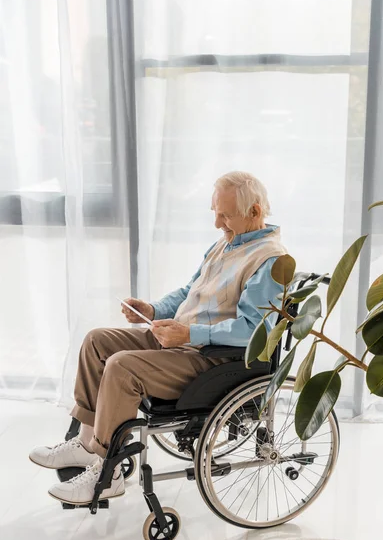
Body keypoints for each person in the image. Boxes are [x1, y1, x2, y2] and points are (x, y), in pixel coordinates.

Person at [29, 171, 287, 505]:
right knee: (97, 341)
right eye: (215, 212)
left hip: (213, 358)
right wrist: (152, 310)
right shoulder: (227, 243)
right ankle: (86, 441)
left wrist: (189, 332)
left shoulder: (270, 260)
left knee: (123, 367)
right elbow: (189, 291)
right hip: (182, 342)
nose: (217, 223)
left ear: (254, 212)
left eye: (225, 215)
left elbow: (255, 331)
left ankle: (109, 472)